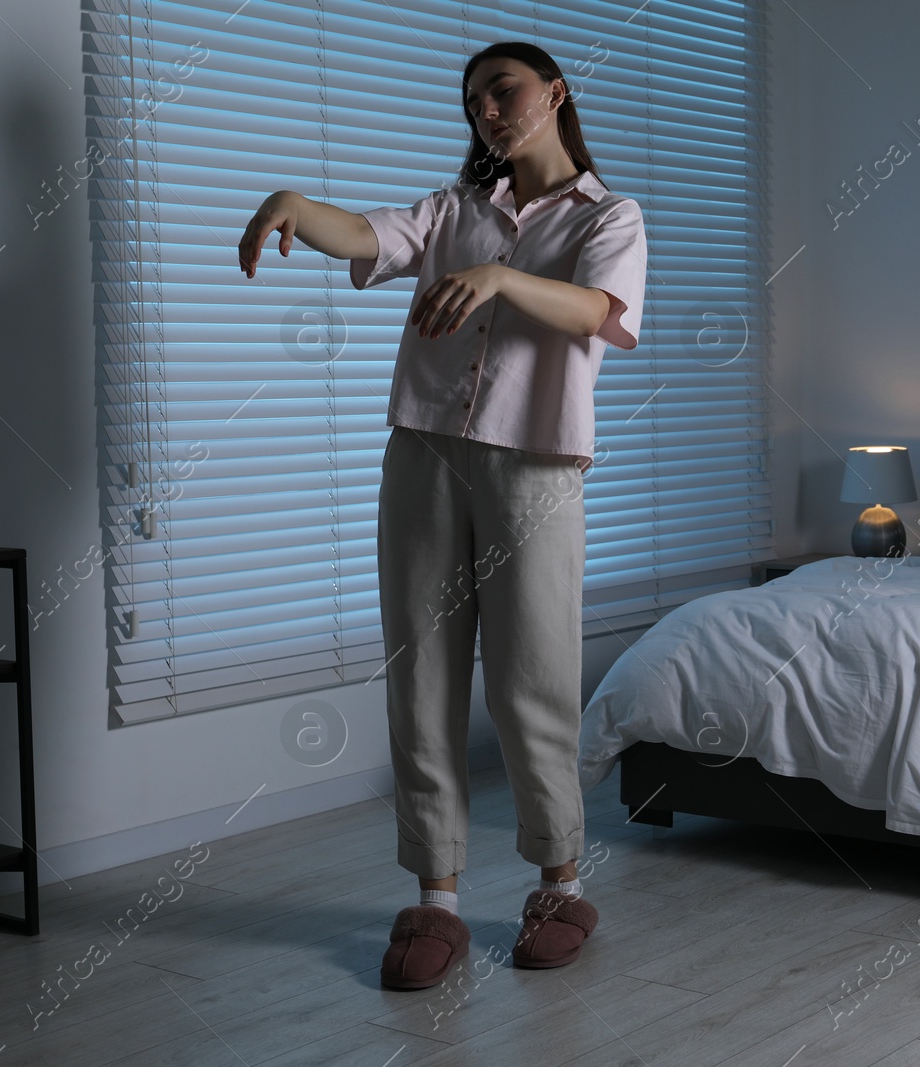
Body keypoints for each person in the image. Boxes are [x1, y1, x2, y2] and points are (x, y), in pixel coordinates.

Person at [237, 40, 647, 992]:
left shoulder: (610, 215)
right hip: (421, 453)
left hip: (536, 467)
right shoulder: (453, 211)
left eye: (502, 92)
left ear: (554, 92)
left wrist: (503, 280)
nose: (487, 113)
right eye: (473, 104)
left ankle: (558, 884)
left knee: (528, 682)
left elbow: (599, 310)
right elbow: (368, 235)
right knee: (418, 675)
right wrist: (301, 204)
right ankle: (438, 898)